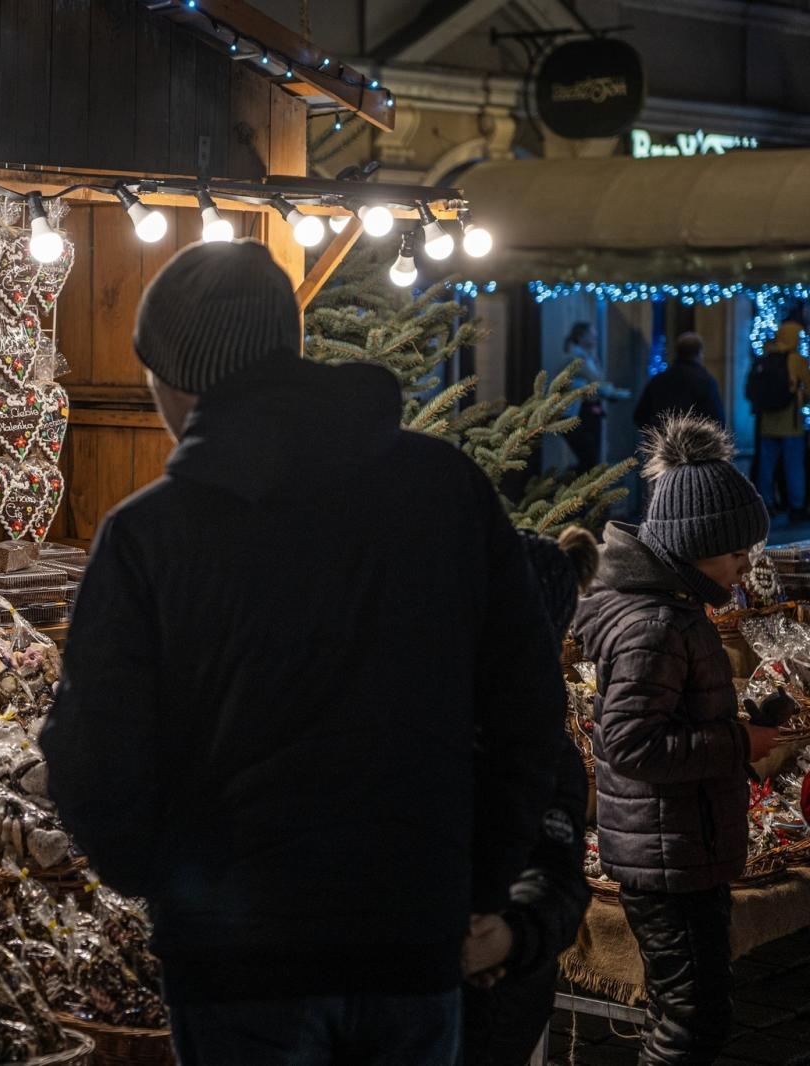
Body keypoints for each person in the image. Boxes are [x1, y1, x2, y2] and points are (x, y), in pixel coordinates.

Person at [40, 240, 566, 1066]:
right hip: (410, 939)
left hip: (236, 961)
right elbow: (529, 713)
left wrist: (165, 881)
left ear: (182, 378)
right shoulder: (446, 492)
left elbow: (91, 755)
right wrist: (473, 883)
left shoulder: (148, 535)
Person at [574, 413, 782, 1064]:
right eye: (736, 550)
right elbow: (634, 745)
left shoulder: (675, 609)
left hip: (678, 848)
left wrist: (746, 717)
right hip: (668, 862)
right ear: (696, 543)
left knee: (684, 1016)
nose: (747, 565)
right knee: (690, 1028)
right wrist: (738, 743)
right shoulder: (656, 623)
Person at [461, 526, 597, 1066]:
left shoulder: (541, 745)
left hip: (496, 1007)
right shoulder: (419, 709)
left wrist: (507, 937)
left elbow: (556, 875)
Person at [751, 322, 810, 520]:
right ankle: (797, 506)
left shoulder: (766, 357)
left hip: (767, 424)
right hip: (791, 425)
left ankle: (765, 504)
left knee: (766, 468)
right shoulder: (796, 360)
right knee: (794, 466)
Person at [563, 321, 630, 472]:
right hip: (579, 412)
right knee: (588, 458)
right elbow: (596, 381)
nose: (595, 340)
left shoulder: (590, 357)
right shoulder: (577, 358)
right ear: (580, 338)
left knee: (591, 457)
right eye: (592, 336)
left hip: (589, 410)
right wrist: (612, 392)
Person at [634, 332, 724, 433]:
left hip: (664, 443)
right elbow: (717, 420)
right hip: (693, 444)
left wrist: (656, 433)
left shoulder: (658, 380)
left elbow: (640, 416)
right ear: (699, 354)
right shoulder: (706, 382)